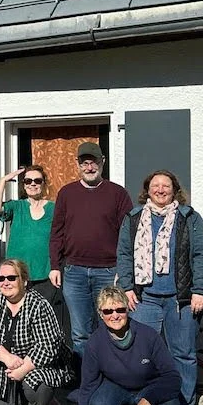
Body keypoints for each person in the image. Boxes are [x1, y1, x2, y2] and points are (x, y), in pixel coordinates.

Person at [116, 170, 203, 405]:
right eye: (155, 185)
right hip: (144, 298)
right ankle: (141, 403)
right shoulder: (133, 217)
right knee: (140, 354)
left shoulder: (189, 217)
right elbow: (125, 254)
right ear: (147, 190)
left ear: (175, 190)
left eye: (166, 186)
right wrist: (127, 286)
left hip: (181, 300)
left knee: (183, 354)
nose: (160, 190)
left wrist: (200, 290)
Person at [72, 286, 182, 405]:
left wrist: (150, 399)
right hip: (118, 386)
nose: (114, 315)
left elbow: (173, 377)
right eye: (108, 311)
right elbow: (87, 385)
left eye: (120, 309)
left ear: (127, 310)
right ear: (101, 314)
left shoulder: (149, 335)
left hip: (150, 386)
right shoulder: (95, 342)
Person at [49, 142, 133, 355]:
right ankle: (87, 381)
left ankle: (113, 378)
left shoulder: (118, 194)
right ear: (78, 165)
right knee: (80, 333)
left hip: (108, 272)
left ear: (102, 162)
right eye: (84, 163)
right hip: (74, 272)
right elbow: (57, 232)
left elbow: (129, 236)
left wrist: (123, 271)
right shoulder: (66, 193)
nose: (89, 167)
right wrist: (55, 266)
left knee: (112, 327)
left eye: (93, 162)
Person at [0, 259, 74, 405]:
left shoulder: (38, 304)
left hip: (40, 364)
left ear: (24, 281)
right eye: (1, 278)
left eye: (12, 278)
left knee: (34, 385)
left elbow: (49, 344)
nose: (5, 282)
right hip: (5, 366)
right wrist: (7, 358)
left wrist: (24, 368)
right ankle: (44, 402)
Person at [0, 164, 70, 345]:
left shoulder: (53, 208)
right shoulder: (17, 206)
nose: (33, 184)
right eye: (28, 181)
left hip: (45, 273)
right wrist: (4, 180)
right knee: (19, 318)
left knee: (42, 319)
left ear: (43, 184)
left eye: (37, 180)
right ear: (23, 185)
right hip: (18, 275)